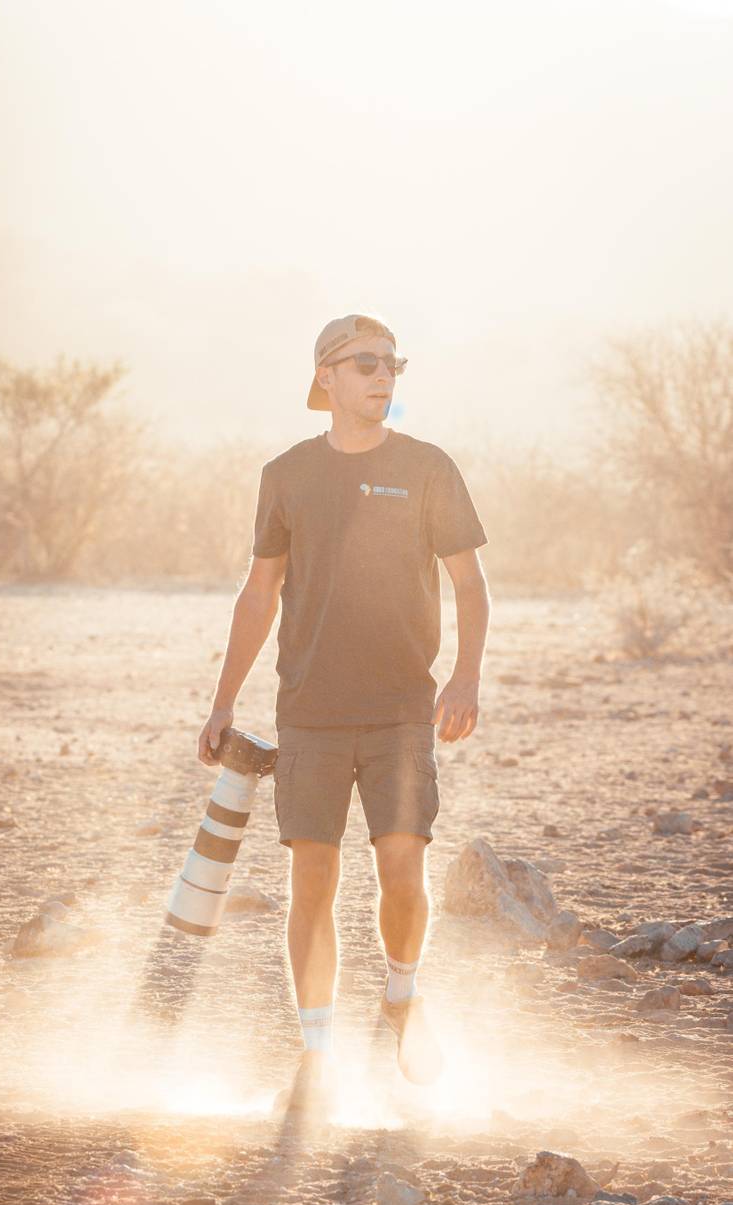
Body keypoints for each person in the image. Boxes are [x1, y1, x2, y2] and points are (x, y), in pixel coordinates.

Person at [198, 313, 490, 1112]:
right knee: (312, 883)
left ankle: (400, 994)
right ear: (325, 375)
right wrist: (223, 700)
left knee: (401, 870)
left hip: (400, 712)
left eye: (392, 363)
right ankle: (316, 1053)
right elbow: (260, 592)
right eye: (365, 363)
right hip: (311, 715)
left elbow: (469, 584)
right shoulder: (287, 474)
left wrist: (464, 678)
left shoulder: (426, 466)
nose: (383, 375)